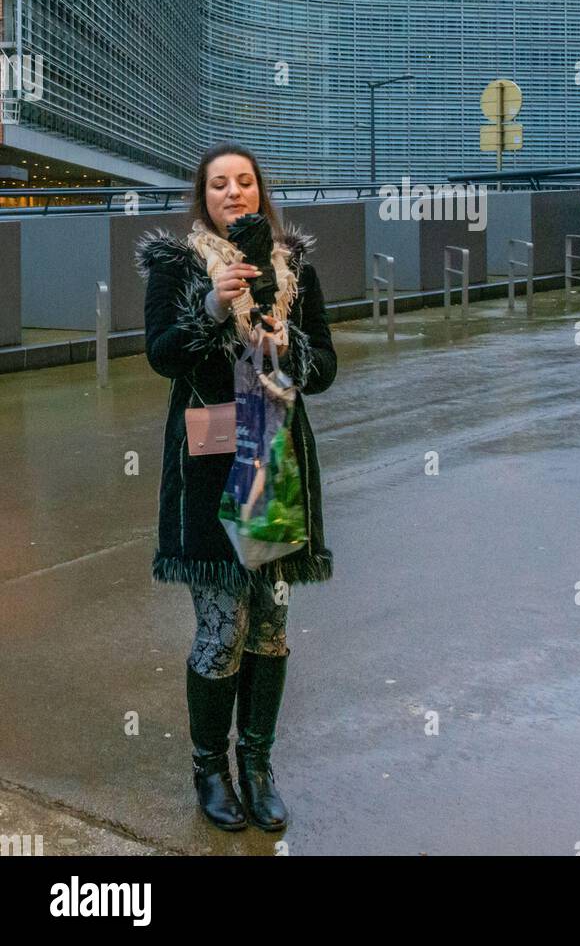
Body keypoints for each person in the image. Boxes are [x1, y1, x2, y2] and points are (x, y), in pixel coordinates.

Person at [135, 143, 337, 833]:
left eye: (244, 182)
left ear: (260, 192)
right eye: (219, 183)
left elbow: (326, 367)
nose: (233, 193)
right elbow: (162, 354)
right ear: (204, 195)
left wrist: (285, 340)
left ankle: (257, 765)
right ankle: (209, 771)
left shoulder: (292, 268)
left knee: (271, 629)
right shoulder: (177, 264)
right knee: (222, 628)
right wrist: (215, 311)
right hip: (213, 456)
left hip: (274, 453)